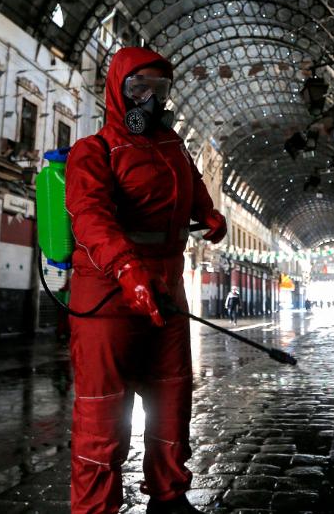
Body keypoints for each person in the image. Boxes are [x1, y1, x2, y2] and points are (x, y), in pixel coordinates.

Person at [64, 47, 227, 514]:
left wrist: (209, 214)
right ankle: (96, 509)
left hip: (166, 285)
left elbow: (192, 189)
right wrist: (127, 269)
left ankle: (169, 497)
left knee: (172, 392)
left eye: (160, 89)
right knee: (103, 406)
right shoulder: (92, 151)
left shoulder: (173, 148)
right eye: (139, 89)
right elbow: (91, 217)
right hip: (106, 290)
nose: (150, 101)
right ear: (118, 91)